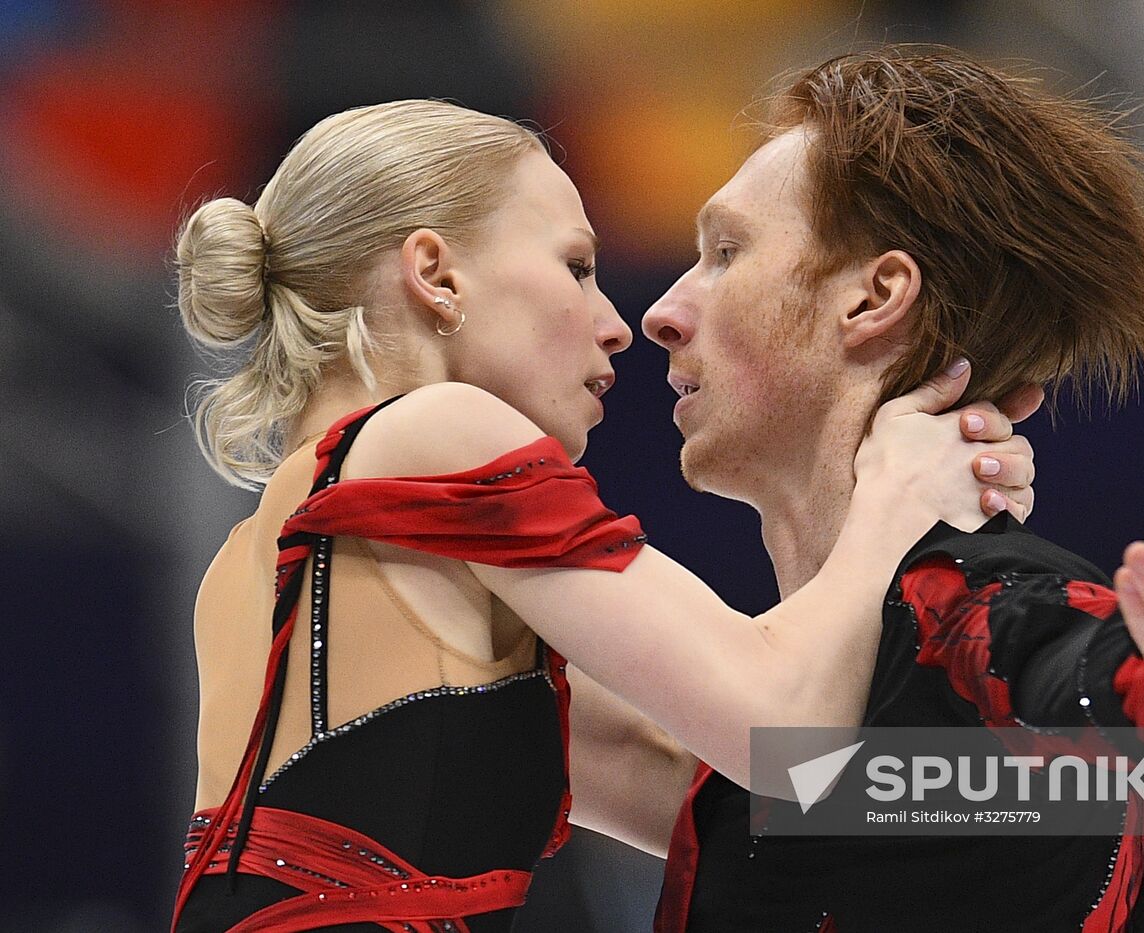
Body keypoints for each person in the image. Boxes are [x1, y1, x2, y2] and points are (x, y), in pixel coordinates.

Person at [168, 99, 1041, 932]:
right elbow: (779, 728)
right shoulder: (434, 432)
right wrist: (898, 492)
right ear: (435, 275)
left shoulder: (275, 561)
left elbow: (740, 794)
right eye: (576, 267)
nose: (620, 323)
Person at [622, 46, 1144, 932]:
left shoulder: (975, 609)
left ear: (874, 298)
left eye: (725, 252)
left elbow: (1058, 663)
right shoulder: (743, 712)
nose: (663, 311)